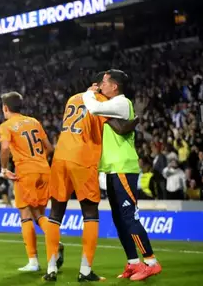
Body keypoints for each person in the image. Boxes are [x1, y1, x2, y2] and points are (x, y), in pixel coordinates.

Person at [83, 70, 162, 280]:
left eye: (104, 83)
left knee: (129, 217)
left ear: (114, 86)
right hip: (112, 169)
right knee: (119, 219)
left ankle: (151, 262)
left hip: (123, 168)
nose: (100, 86)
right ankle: (134, 263)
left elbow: (93, 107)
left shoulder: (121, 102)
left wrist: (88, 93)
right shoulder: (114, 106)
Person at [43, 84, 110, 282]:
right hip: (83, 157)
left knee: (55, 214)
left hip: (60, 155)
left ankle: (51, 268)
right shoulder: (103, 101)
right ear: (100, 86)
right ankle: (86, 270)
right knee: (90, 213)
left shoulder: (72, 98)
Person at [0, 92, 54, 272]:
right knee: (40, 214)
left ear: (5, 108)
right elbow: (50, 148)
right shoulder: (34, 122)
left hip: (25, 172)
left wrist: (4, 168)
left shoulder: (6, 125)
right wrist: (38, 161)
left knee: (26, 215)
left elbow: (5, 147)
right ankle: (54, 239)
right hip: (44, 170)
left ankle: (34, 261)